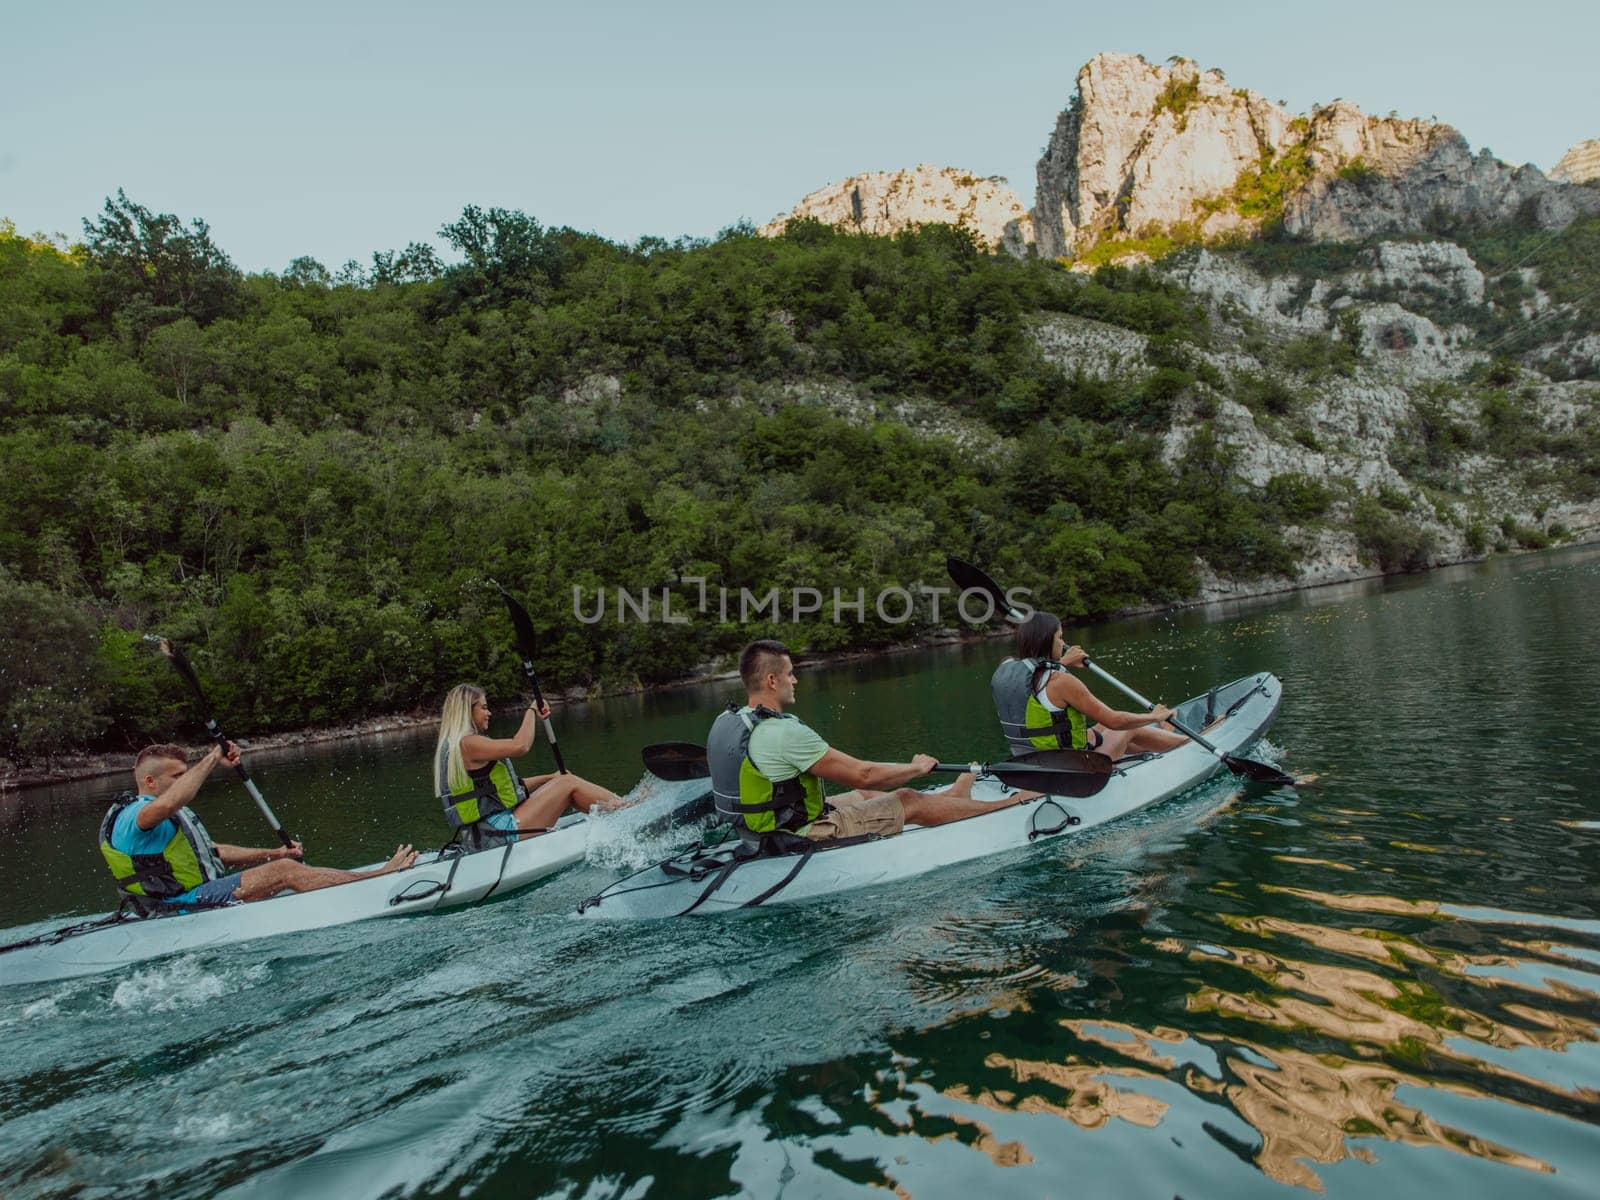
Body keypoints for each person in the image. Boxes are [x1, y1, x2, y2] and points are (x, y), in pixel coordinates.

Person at [708, 639, 1027, 852]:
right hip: (799, 835)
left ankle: (952, 799)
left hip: (759, 832)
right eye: (790, 675)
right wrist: (915, 769)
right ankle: (1007, 807)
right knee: (907, 799)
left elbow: (863, 787)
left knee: (868, 797)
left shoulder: (734, 720)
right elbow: (864, 773)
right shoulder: (781, 733)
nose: (795, 681)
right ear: (771, 681)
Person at [99, 742, 417, 911]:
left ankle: (355, 879)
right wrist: (213, 756)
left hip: (195, 894)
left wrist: (274, 852)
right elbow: (170, 803)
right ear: (150, 781)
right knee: (284, 871)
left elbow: (214, 853)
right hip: (176, 905)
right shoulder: (132, 816)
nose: (184, 781)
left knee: (281, 863)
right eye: (177, 776)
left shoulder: (164, 816)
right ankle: (375, 880)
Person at [434, 684, 622, 850]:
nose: (489, 712)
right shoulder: (468, 743)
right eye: (484, 708)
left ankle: (619, 810)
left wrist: (550, 778)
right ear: (467, 711)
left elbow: (515, 785)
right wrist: (532, 710)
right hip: (499, 832)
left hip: (484, 835)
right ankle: (626, 810)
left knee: (562, 781)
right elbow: (520, 745)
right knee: (568, 783)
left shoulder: (454, 746)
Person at [992, 611, 1186, 761]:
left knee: (1100, 728)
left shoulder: (1005, 668)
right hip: (1073, 769)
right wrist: (1154, 716)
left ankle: (1165, 738)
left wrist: (1061, 663)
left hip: (1033, 761)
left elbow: (1033, 674)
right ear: (1046, 640)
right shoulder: (1061, 682)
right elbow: (1115, 721)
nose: (1063, 643)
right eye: (1060, 637)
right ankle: (1190, 744)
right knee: (1126, 729)